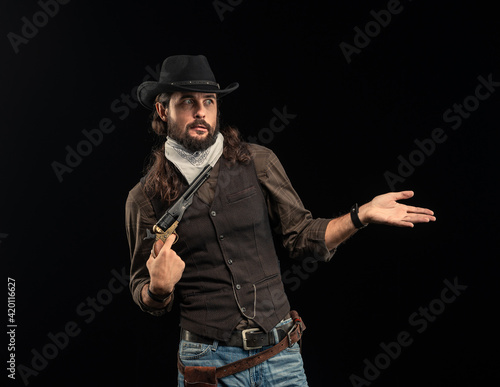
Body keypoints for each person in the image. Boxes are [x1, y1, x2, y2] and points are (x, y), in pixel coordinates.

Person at [125, 54, 436, 386]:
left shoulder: (258, 161)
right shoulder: (144, 198)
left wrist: (361, 216)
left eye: (209, 101)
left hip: (280, 354)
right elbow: (142, 290)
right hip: (208, 362)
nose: (201, 111)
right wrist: (158, 290)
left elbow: (302, 236)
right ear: (162, 110)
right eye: (187, 101)